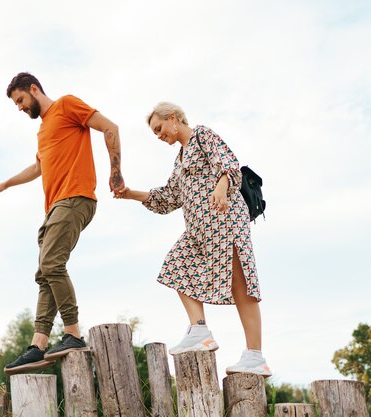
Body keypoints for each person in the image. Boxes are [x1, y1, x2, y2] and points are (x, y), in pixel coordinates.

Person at [115, 102, 271, 376]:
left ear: (173, 118)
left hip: (226, 221)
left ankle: (255, 356)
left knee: (240, 285)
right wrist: (130, 194)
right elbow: (167, 198)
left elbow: (229, 165)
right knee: (176, 265)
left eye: (160, 128)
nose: (159, 136)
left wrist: (221, 189)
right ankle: (200, 330)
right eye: (155, 133)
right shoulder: (179, 160)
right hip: (199, 231)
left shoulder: (202, 135)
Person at [0, 72, 125, 375]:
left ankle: (73, 334)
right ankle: (38, 345)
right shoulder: (43, 132)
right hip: (53, 208)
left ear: (34, 89)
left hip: (75, 198)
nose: (20, 108)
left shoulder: (66, 105)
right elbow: (38, 166)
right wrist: (5, 184)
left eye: (21, 100)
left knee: (51, 263)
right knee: (44, 273)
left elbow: (109, 127)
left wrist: (116, 172)